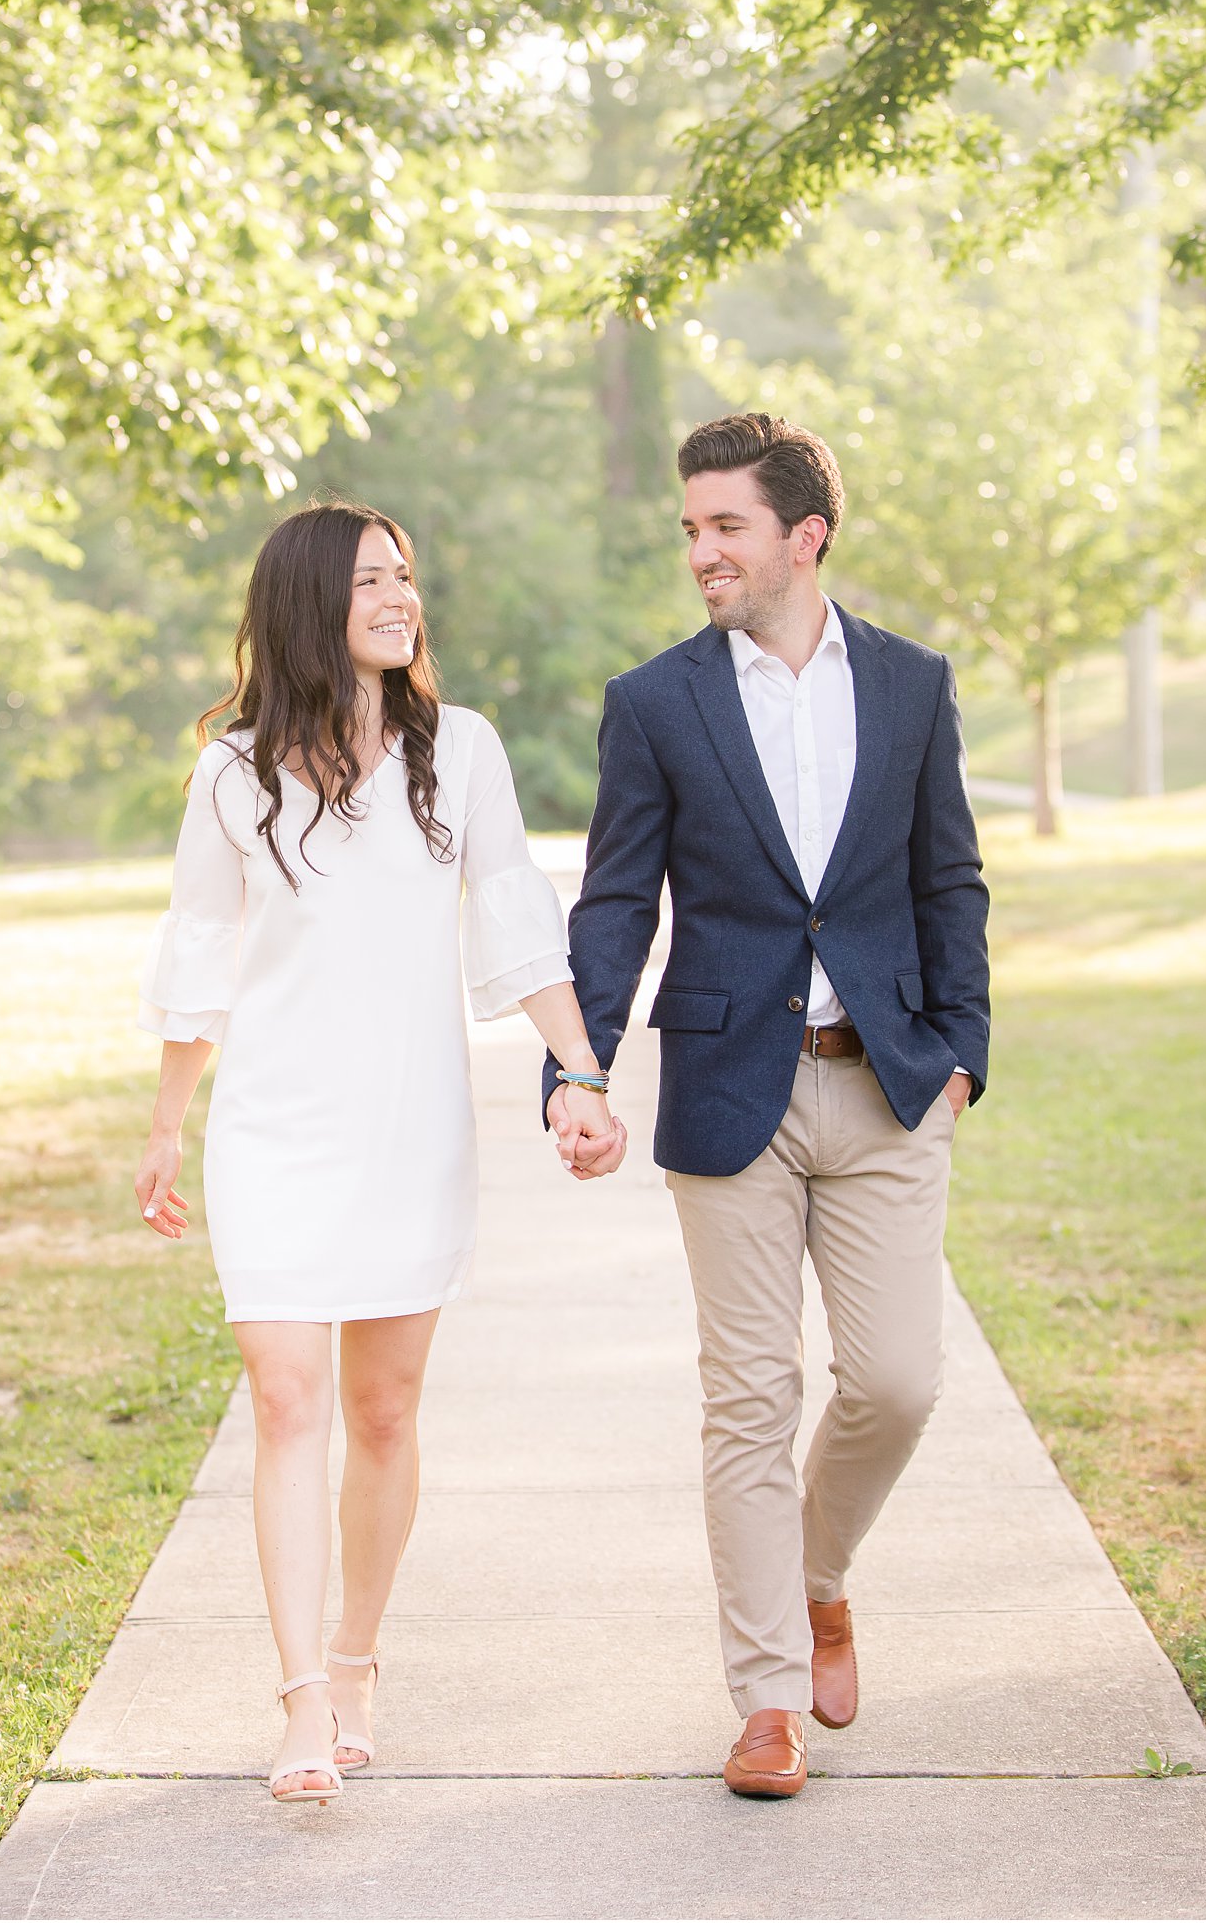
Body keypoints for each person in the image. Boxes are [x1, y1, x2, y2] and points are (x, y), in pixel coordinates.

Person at [134, 500, 623, 1805]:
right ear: (309, 600)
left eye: (408, 573)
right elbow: (201, 943)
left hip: (409, 1122)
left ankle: (356, 1654)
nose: (401, 594)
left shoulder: (458, 751)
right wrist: (171, 1122)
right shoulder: (234, 770)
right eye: (371, 577)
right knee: (288, 1396)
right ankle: (302, 1699)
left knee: (382, 1407)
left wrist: (578, 1065)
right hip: (272, 1129)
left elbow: (515, 914)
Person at [547, 412, 989, 1798]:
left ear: (805, 535)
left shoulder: (913, 686)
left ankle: (818, 1574)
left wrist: (964, 1046)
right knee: (748, 1397)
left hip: (888, 1083)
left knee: (898, 1380)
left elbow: (949, 877)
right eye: (689, 527)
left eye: (725, 525)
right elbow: (616, 897)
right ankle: (765, 1699)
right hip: (728, 1088)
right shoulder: (656, 702)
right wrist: (581, 1064)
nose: (701, 551)